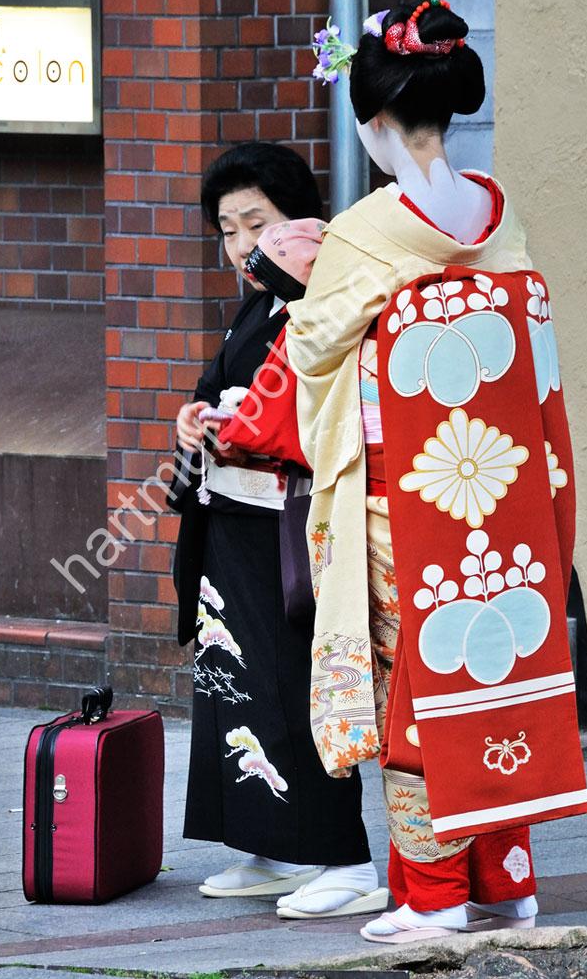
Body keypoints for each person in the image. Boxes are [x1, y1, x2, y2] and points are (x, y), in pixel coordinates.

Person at [283, 0, 587, 942]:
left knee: (414, 687)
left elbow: (310, 350)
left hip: (400, 507)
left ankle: (434, 895)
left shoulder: (368, 231)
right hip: (493, 496)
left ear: (374, 124)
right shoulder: (496, 214)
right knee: (492, 665)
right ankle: (508, 882)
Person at [172, 142, 387, 919]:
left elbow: (324, 414)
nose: (238, 245)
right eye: (226, 229)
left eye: (253, 222)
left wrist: (242, 428)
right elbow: (216, 388)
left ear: (296, 215)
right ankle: (269, 847)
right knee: (237, 686)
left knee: (297, 684)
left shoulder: (321, 295)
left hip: (286, 524)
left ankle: (344, 857)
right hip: (231, 521)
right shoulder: (258, 299)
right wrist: (195, 418)